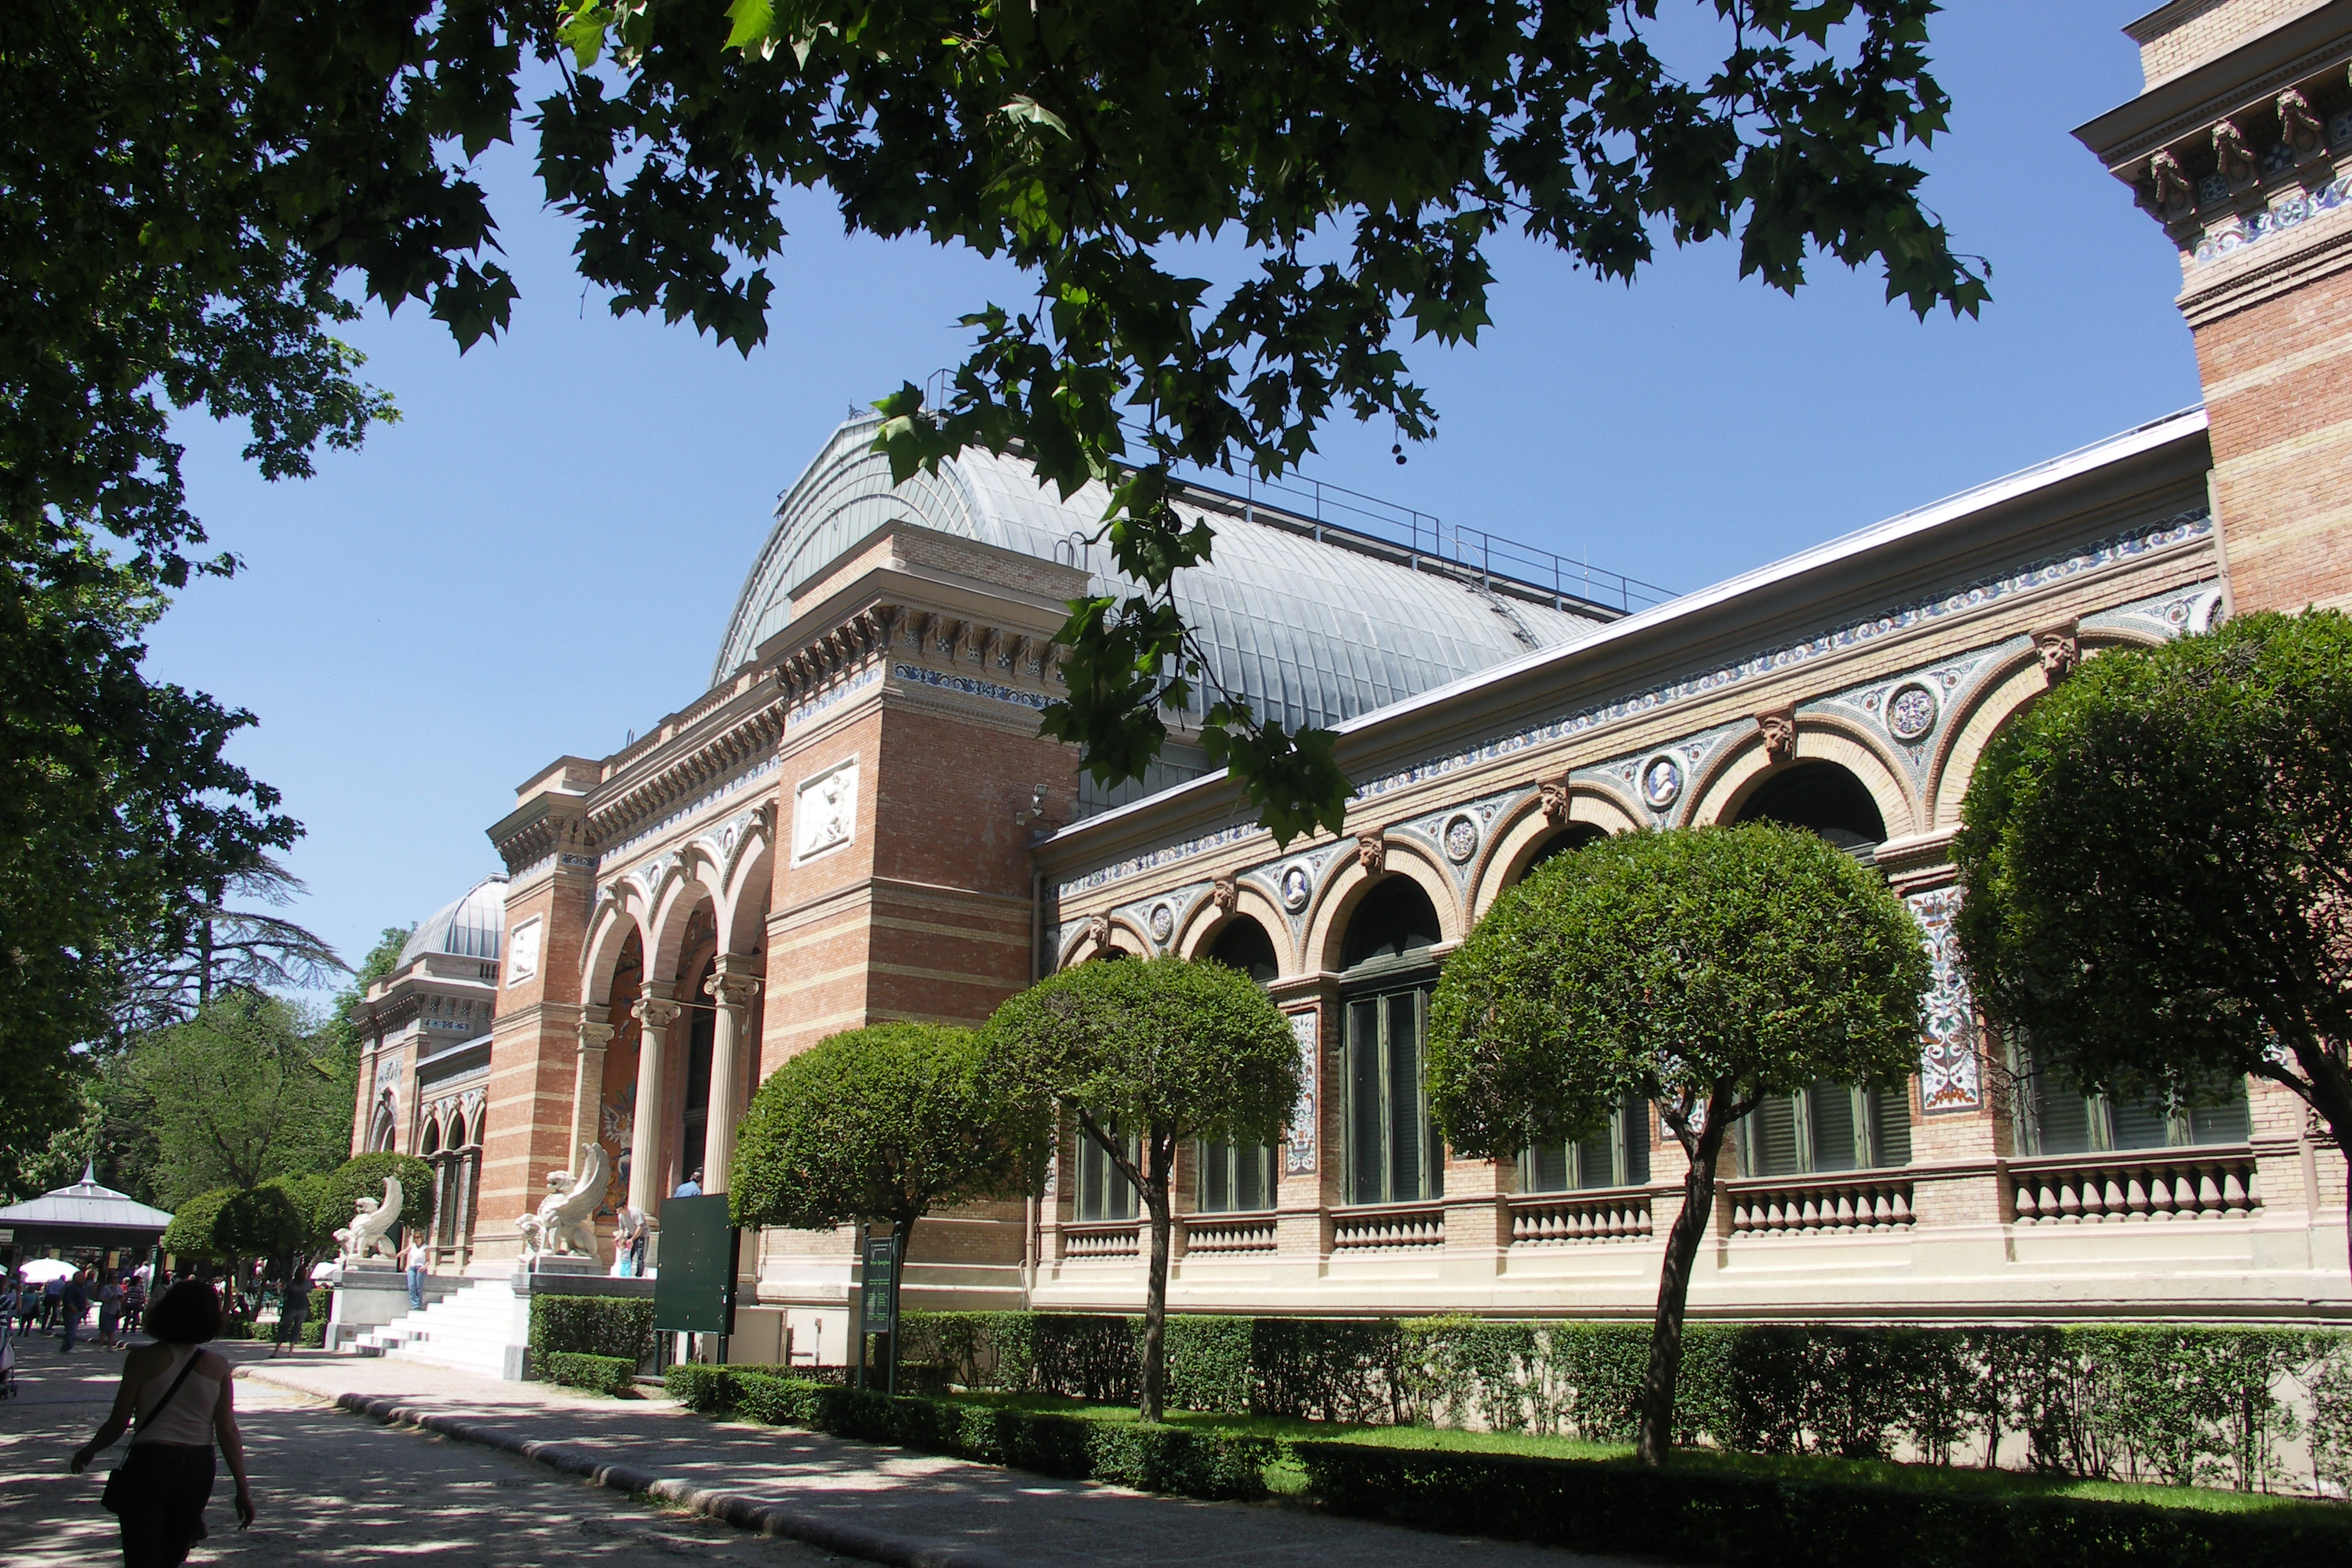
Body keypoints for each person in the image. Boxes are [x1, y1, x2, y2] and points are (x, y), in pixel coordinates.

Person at [70, 1279, 254, 1566]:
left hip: (150, 1461)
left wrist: (89, 1450)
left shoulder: (141, 1359)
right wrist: (242, 1488)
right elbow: (227, 1431)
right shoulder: (218, 1366)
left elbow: (118, 1422)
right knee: (173, 1552)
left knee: (141, 1553)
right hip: (197, 1466)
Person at [272, 1275, 309, 1358]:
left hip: (291, 1307)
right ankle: (290, 1352)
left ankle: (276, 1352)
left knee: (284, 1328)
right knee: (297, 1328)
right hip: (303, 1307)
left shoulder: (291, 1283)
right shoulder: (307, 1283)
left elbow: (285, 1296)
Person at [59, 1269, 91, 1353]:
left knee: (72, 1330)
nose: (83, 1279)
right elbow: (67, 1299)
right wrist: (72, 1307)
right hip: (71, 1311)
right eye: (81, 1277)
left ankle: (65, 1346)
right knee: (71, 1330)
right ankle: (68, 1347)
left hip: (79, 1311)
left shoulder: (81, 1286)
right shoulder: (71, 1286)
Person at [403, 1234, 429, 1311]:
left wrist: (424, 1267)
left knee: (419, 1287)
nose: (417, 1239)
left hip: (420, 1268)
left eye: (418, 1238)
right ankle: (415, 1304)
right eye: (415, 1238)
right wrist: (394, 1257)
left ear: (422, 1238)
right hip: (412, 1268)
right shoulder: (412, 1246)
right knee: (412, 1286)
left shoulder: (425, 1248)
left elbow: (428, 1260)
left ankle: (418, 1305)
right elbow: (404, 1252)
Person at [98, 1275, 124, 1351]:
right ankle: (100, 1346)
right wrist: (111, 1298)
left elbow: (123, 1299)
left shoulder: (119, 1288)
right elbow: (101, 1298)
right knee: (104, 1329)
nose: (116, 1280)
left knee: (113, 1329)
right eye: (114, 1278)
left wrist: (121, 1298)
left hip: (116, 1311)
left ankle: (110, 1346)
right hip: (107, 1310)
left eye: (117, 1278)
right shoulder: (106, 1288)